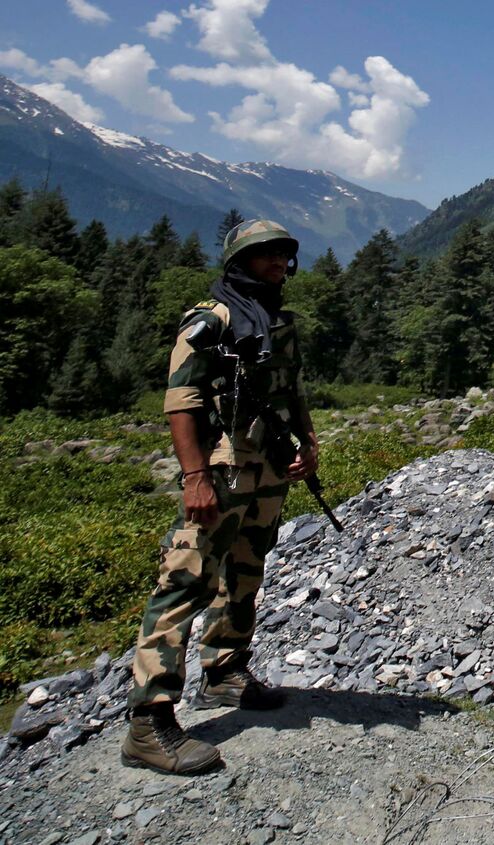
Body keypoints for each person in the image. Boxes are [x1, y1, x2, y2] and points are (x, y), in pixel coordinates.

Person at [122, 219, 318, 775]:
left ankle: (225, 671)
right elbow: (181, 400)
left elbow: (292, 389)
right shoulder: (211, 321)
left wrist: (309, 443)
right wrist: (194, 478)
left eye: (284, 255)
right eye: (266, 255)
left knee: (246, 572)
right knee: (186, 579)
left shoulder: (278, 321)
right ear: (239, 261)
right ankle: (148, 721)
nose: (278, 263)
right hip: (221, 472)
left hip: (267, 472)